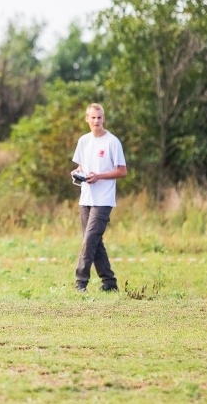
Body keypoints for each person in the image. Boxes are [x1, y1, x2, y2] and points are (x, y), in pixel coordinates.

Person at [71, 103, 127, 293]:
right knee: (94, 241)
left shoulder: (112, 142)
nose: (96, 121)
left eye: (99, 117)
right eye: (93, 117)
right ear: (87, 119)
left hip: (103, 200)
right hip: (85, 198)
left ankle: (81, 283)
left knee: (89, 240)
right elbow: (81, 166)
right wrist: (77, 172)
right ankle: (109, 282)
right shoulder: (83, 141)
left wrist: (99, 176)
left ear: (104, 119)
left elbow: (122, 170)